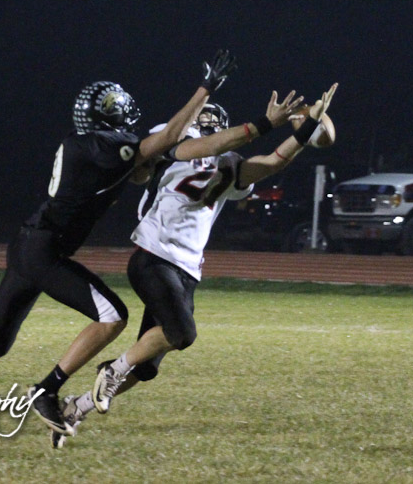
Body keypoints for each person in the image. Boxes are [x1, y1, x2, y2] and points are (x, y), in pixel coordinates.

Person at [0, 52, 307, 455]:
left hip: (32, 244)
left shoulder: (96, 145)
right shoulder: (107, 145)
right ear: (110, 116)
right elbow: (167, 141)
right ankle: (47, 390)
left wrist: (297, 133)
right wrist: (212, 91)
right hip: (44, 250)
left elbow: (148, 167)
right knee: (112, 316)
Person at [49, 84, 338, 448]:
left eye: (215, 120)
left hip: (186, 270)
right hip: (154, 255)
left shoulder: (229, 164)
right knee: (182, 333)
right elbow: (199, 148)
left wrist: (307, 130)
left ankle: (76, 408)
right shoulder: (173, 140)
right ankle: (112, 370)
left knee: (146, 367)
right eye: (204, 118)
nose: (209, 123)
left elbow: (273, 162)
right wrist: (265, 123)